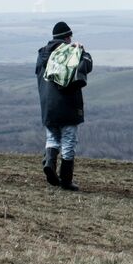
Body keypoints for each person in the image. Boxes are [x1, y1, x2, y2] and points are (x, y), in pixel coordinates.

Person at [35, 21, 93, 190]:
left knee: (52, 138)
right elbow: (86, 65)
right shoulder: (71, 51)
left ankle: (50, 165)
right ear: (67, 37)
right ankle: (66, 180)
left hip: (48, 106)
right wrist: (81, 50)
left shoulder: (42, 54)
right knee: (68, 141)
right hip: (67, 106)